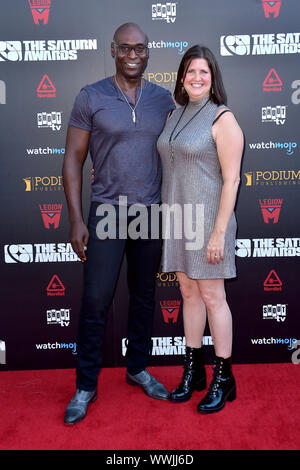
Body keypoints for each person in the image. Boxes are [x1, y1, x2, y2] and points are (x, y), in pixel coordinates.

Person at [62, 23, 175, 425]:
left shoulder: (164, 99)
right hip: (107, 211)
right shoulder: (90, 96)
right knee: (96, 299)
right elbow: (73, 160)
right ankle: (85, 385)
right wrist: (77, 218)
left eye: (140, 49)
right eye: (125, 48)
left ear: (148, 53)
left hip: (149, 212)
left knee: (144, 296)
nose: (133, 55)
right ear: (113, 50)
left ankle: (138, 368)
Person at [157, 45, 244, 413]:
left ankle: (223, 378)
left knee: (213, 298)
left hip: (209, 222)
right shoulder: (173, 116)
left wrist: (219, 232)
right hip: (178, 221)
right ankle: (193, 372)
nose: (196, 77)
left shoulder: (222, 118)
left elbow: (233, 179)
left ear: (213, 78)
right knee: (189, 295)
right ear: (181, 77)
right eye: (190, 71)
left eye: (203, 72)